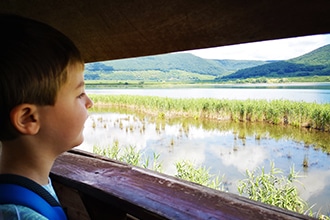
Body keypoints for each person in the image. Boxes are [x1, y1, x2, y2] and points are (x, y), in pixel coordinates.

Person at [0, 14, 93, 219]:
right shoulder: (19, 215)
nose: (89, 102)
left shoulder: (23, 186)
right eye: (79, 94)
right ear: (28, 119)